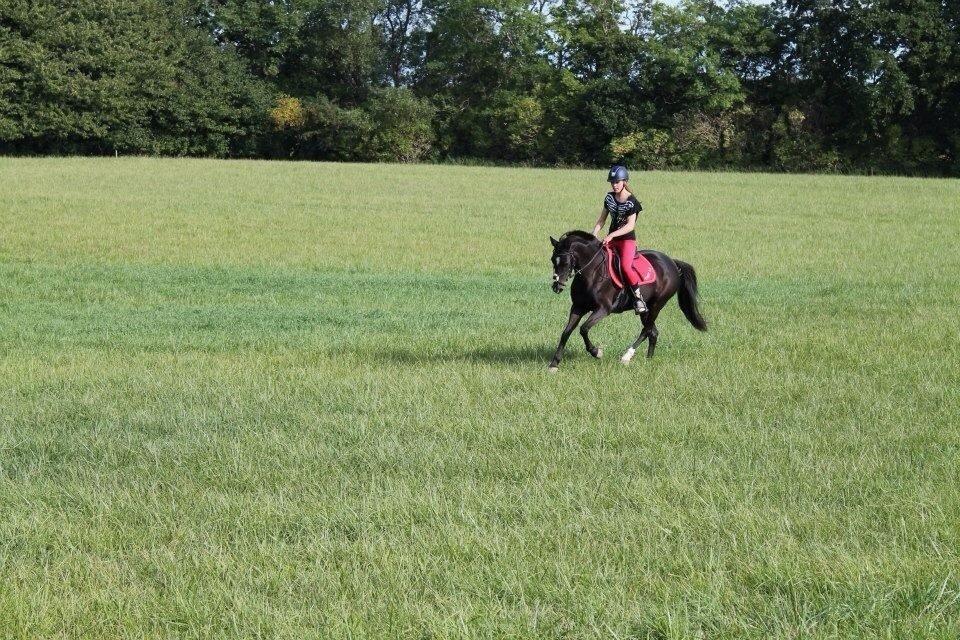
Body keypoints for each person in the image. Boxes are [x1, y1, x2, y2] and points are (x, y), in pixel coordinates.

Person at [591, 165, 648, 314]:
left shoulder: (632, 202)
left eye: (617, 182)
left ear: (625, 181)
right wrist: (594, 233)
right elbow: (601, 220)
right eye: (612, 182)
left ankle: (638, 298)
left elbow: (630, 226)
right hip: (612, 239)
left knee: (625, 266)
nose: (614, 185)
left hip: (626, 241)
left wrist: (611, 235)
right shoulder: (609, 198)